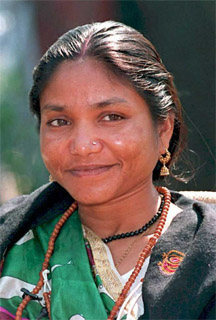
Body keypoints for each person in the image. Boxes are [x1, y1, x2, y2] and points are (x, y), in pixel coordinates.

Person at [0, 21, 215, 320]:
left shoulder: (206, 255)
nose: (83, 145)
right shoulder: (13, 244)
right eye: (60, 121)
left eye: (111, 117)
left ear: (163, 129)